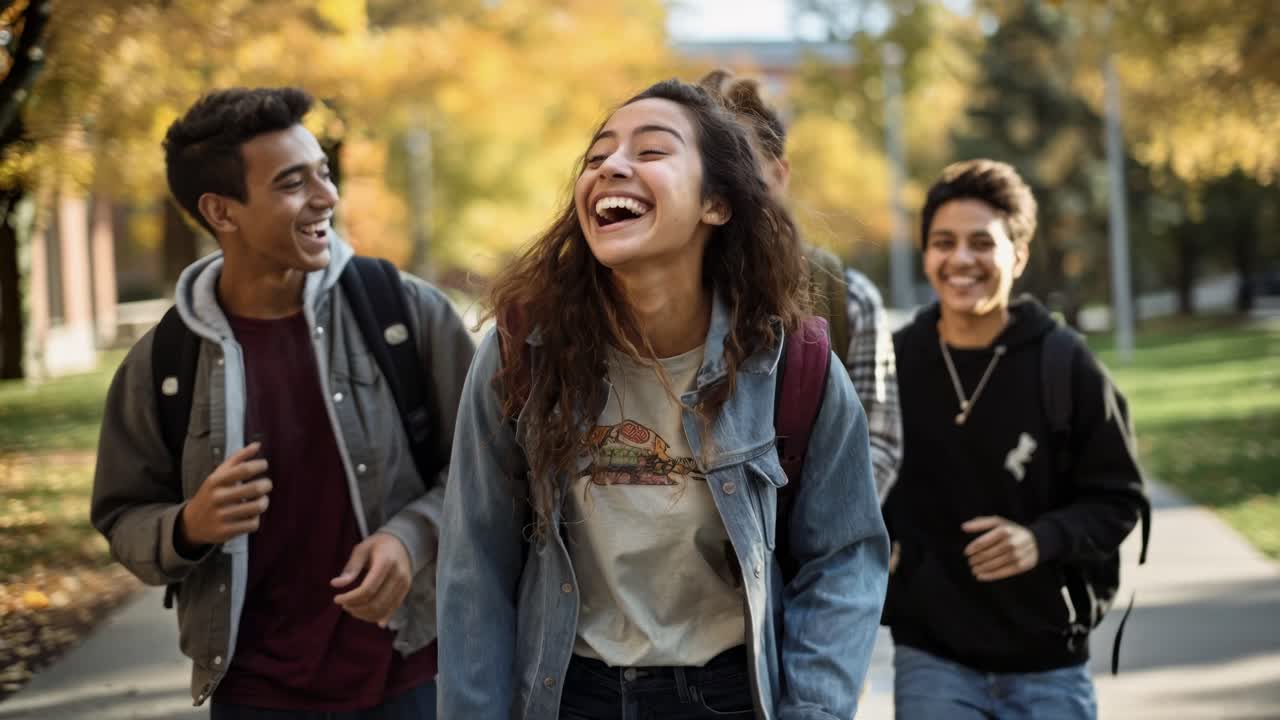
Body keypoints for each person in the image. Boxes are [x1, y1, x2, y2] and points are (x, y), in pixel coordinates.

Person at [436, 79, 889, 720]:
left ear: (717, 203)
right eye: (597, 157)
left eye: (651, 152)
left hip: (728, 696)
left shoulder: (797, 366)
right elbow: (472, 570)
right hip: (566, 694)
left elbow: (843, 560)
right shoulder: (522, 353)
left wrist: (812, 710)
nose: (612, 166)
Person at [90, 87, 475, 719]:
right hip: (254, 692)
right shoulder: (162, 364)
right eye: (293, 183)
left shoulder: (405, 314)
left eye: (323, 173)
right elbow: (122, 513)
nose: (326, 197)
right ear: (223, 211)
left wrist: (412, 537)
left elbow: (490, 468)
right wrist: (189, 527)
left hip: (412, 672)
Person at [882, 159, 1148, 719]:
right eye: (943, 242)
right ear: (926, 255)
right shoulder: (893, 363)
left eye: (982, 243)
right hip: (932, 657)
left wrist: (1041, 539)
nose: (960, 260)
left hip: (1048, 661)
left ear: (1017, 255)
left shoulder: (1064, 363)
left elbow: (1119, 500)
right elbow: (855, 486)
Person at [698, 69, 902, 500]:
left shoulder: (847, 297)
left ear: (779, 175)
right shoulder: (645, 288)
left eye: (741, 165)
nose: (727, 187)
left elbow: (876, 444)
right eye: (708, 169)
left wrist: (825, 548)